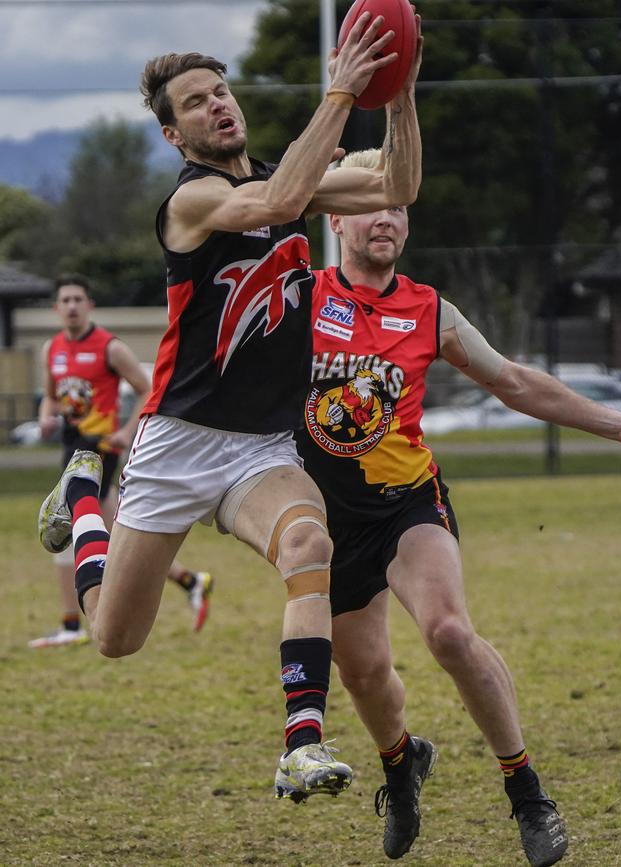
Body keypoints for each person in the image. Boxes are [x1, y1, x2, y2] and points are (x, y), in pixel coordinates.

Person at [38, 11, 423, 804]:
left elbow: (397, 184)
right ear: (176, 137)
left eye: (221, 90)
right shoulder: (193, 200)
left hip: (260, 448)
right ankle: (83, 494)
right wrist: (342, 91)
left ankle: (302, 743)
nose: (218, 104)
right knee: (115, 637)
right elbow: (277, 198)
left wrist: (401, 94)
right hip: (176, 442)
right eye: (196, 102)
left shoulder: (282, 174)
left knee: (308, 540)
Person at [294, 149, 621, 865]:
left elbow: (515, 382)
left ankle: (527, 792)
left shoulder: (430, 311)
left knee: (451, 632)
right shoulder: (300, 299)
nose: (388, 216)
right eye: (370, 202)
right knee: (362, 673)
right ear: (335, 215)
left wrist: (619, 425)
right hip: (328, 525)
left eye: (397, 204)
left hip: (407, 507)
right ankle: (401, 765)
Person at [30, 274, 214, 648]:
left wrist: (126, 432)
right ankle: (190, 581)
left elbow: (148, 389)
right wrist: (45, 416)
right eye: (64, 300)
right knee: (117, 532)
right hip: (71, 445)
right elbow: (51, 396)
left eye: (78, 299)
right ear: (55, 308)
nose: (71, 306)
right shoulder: (52, 349)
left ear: (90, 305)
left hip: (101, 450)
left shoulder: (109, 347)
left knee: (70, 528)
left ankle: (70, 623)